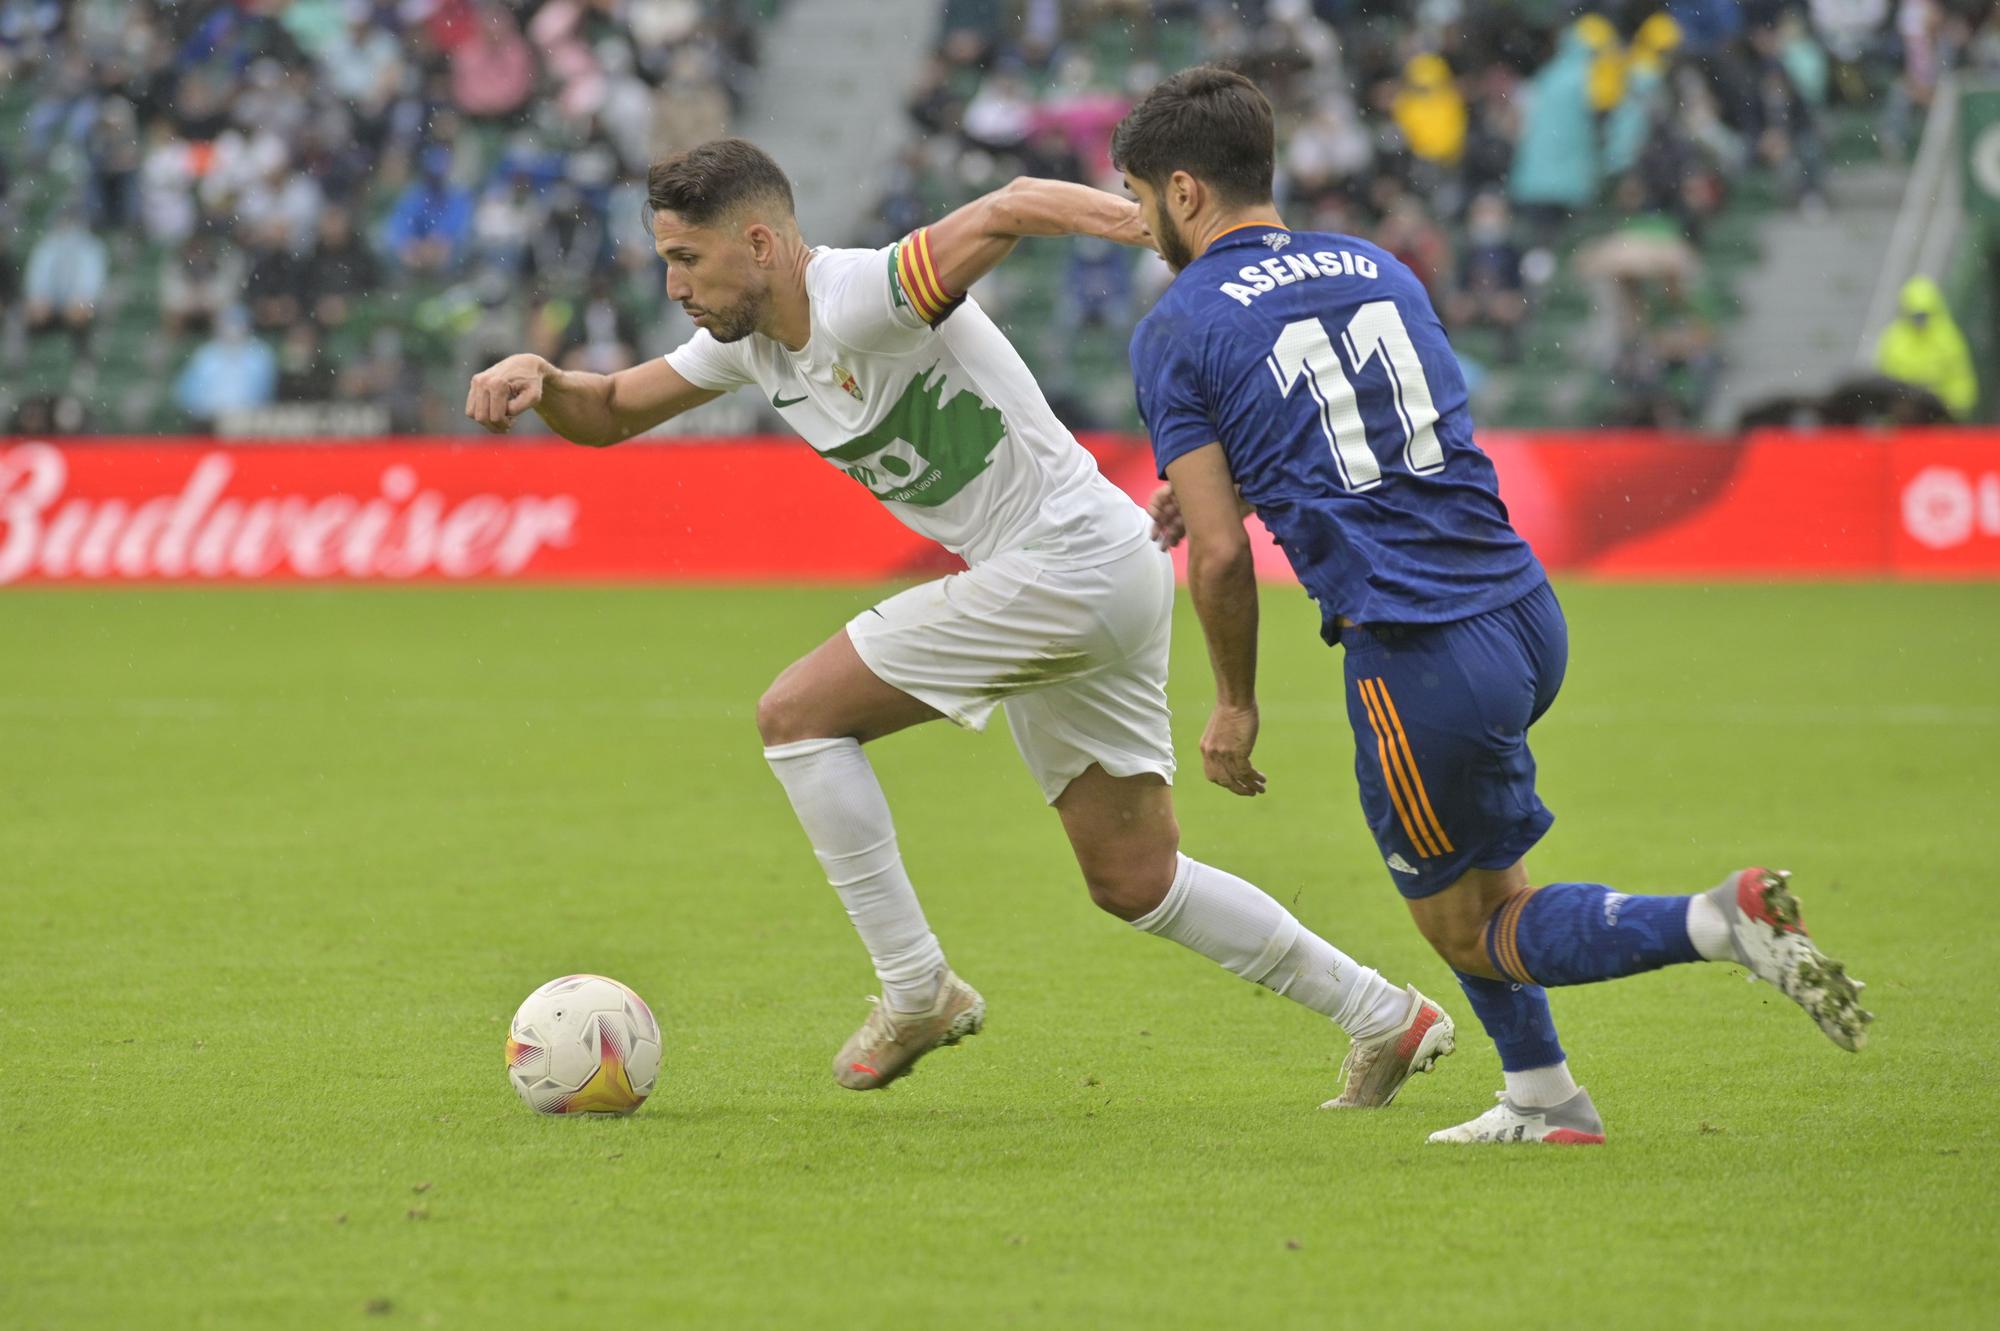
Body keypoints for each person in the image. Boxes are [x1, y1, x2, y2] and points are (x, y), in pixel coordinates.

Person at [466, 138, 1454, 1104]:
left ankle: (916, 988)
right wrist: (545, 383)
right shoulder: (748, 347)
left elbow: (1013, 201)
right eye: (664, 259)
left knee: (796, 715)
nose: (673, 282)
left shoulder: (860, 294)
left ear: (760, 243)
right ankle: (1384, 1013)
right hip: (1093, 570)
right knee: (1134, 879)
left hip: (1062, 565)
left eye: (685, 257)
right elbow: (608, 409)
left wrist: (1162, 236)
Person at [1111, 67, 1871, 1146]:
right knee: (1484, 868)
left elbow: (1223, 560)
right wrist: (1219, 480)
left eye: (1140, 198)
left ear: (1185, 192)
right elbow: (1361, 431)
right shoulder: (1379, 266)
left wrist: (1231, 699)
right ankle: (1543, 1096)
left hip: (1418, 647)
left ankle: (1717, 920)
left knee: (1470, 927)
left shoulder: (1176, 323)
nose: (1140, 227)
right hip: (1518, 609)